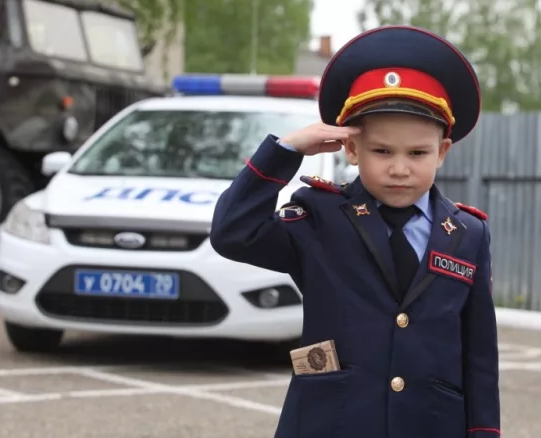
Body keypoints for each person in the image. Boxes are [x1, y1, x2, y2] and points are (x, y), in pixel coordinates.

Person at [210, 26, 500, 438]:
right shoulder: (320, 217)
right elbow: (232, 232)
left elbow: (480, 356)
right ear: (351, 148)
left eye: (417, 153)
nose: (399, 168)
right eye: (382, 151)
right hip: (331, 422)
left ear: (443, 151)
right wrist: (286, 151)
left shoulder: (468, 234)